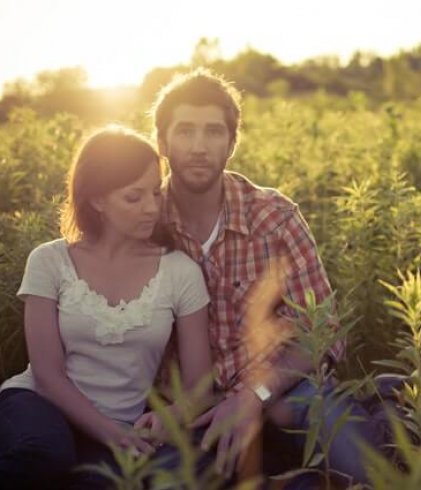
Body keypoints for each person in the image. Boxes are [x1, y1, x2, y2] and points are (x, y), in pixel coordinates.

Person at [152, 68, 380, 487]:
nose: (199, 147)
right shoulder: (145, 223)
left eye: (213, 132)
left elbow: (323, 331)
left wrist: (252, 396)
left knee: (361, 463)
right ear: (162, 142)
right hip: (194, 411)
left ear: (232, 143)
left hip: (287, 392)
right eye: (184, 131)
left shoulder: (273, 217)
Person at [0, 126, 213, 489]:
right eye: (134, 197)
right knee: (44, 454)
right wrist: (112, 433)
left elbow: (199, 387)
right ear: (97, 200)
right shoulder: (49, 261)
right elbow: (48, 375)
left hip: (123, 425)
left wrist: (172, 415)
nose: (151, 207)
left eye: (155, 193)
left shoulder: (181, 272)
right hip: (39, 406)